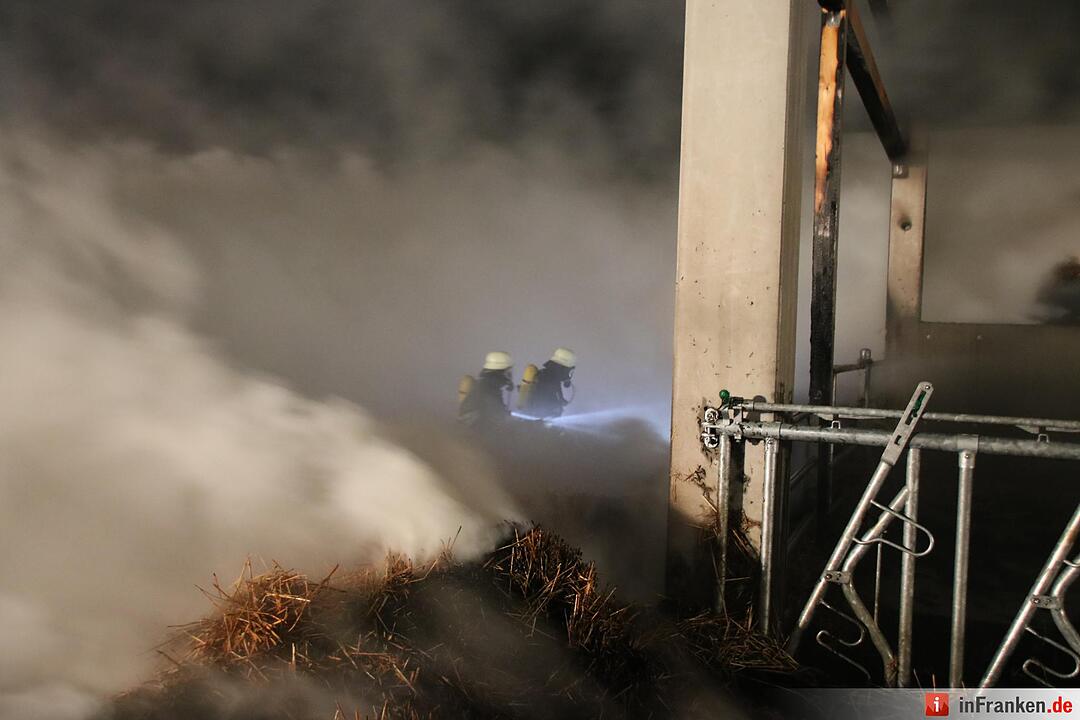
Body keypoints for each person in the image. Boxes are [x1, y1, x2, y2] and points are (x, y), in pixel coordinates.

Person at [458, 351, 514, 428]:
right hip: (476, 431)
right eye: (508, 370)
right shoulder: (490, 387)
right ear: (502, 371)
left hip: (472, 427)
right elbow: (497, 415)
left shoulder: (486, 382)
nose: (509, 374)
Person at [518, 347, 576, 419]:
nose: (569, 374)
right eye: (569, 371)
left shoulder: (550, 377)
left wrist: (561, 401)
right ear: (564, 368)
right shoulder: (548, 380)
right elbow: (541, 404)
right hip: (539, 424)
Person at [1035, 256, 1080, 325]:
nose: (1074, 270)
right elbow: (1055, 279)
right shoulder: (1062, 272)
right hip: (1060, 292)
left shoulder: (1075, 271)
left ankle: (1071, 315)